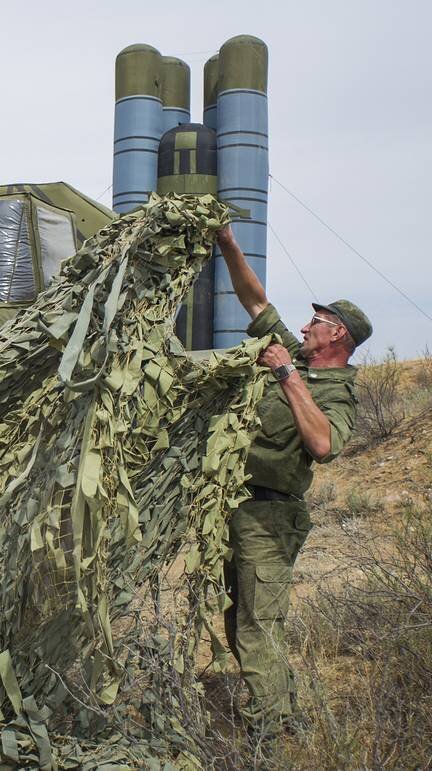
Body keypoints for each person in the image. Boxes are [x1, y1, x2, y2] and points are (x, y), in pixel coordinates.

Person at [215, 225, 371, 739]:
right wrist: (227, 241)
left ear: (338, 335)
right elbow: (255, 301)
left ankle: (265, 738)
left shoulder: (336, 391)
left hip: (271, 517)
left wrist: (287, 376)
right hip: (236, 508)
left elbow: (323, 444)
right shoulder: (293, 353)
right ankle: (285, 717)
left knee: (258, 625)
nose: (304, 328)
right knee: (242, 619)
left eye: (316, 322)